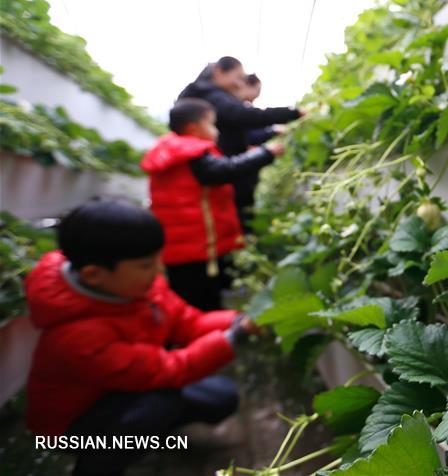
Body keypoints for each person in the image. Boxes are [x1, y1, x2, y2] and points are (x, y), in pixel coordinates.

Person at [24, 198, 258, 476]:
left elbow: (188, 322)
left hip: (125, 388)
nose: (160, 269)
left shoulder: (136, 288)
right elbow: (168, 369)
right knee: (160, 402)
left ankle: (144, 433)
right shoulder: (77, 336)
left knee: (220, 397)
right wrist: (231, 339)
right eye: (147, 264)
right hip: (70, 426)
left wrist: (234, 320)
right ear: (94, 274)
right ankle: (95, 465)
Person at [141, 98, 284, 310]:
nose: (216, 130)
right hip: (196, 246)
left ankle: (190, 332)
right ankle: (205, 335)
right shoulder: (190, 152)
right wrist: (265, 153)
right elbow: (226, 170)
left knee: (185, 296)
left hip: (181, 244)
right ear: (193, 128)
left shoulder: (173, 150)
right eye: (211, 124)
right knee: (201, 299)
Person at [179, 57, 301, 230]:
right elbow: (243, 118)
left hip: (226, 181)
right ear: (219, 71)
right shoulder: (209, 95)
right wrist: (291, 115)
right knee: (229, 220)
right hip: (224, 184)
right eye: (238, 77)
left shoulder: (205, 95)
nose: (239, 84)